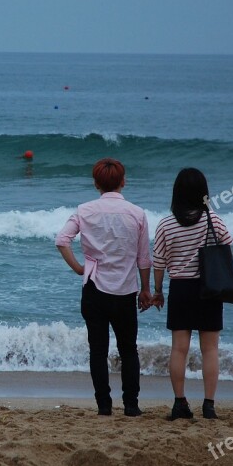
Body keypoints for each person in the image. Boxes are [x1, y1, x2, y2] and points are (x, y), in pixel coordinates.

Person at [55, 158, 153, 417]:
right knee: (128, 349)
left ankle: (104, 406)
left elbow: (61, 240)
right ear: (123, 182)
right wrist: (145, 290)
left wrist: (79, 268)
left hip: (94, 289)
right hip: (125, 291)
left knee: (98, 349)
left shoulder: (84, 210)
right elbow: (144, 258)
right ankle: (131, 405)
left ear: (96, 183)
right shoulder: (137, 213)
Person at [152, 168, 233, 420]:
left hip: (180, 289)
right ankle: (209, 405)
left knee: (179, 349)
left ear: (177, 193)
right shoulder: (213, 220)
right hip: (209, 288)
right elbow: (227, 246)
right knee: (210, 350)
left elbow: (158, 262)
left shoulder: (166, 224)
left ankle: (179, 404)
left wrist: (157, 290)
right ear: (203, 193)